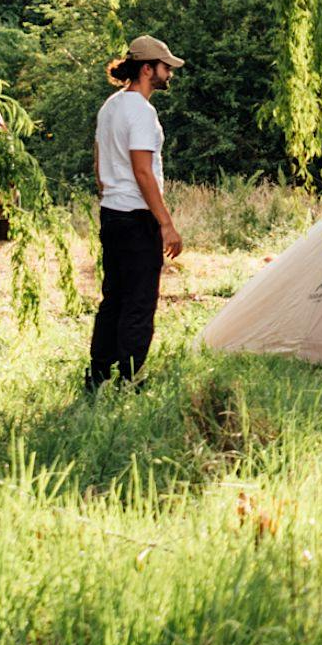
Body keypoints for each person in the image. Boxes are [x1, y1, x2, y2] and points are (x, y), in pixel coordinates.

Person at [87, 35, 183, 389]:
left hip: (111, 213)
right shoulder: (141, 112)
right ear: (147, 69)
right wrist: (167, 224)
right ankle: (130, 379)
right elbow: (143, 171)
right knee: (140, 301)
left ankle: (98, 374)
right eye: (165, 67)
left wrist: (110, 193)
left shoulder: (110, 107)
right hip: (136, 217)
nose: (169, 73)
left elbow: (99, 166)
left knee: (114, 296)